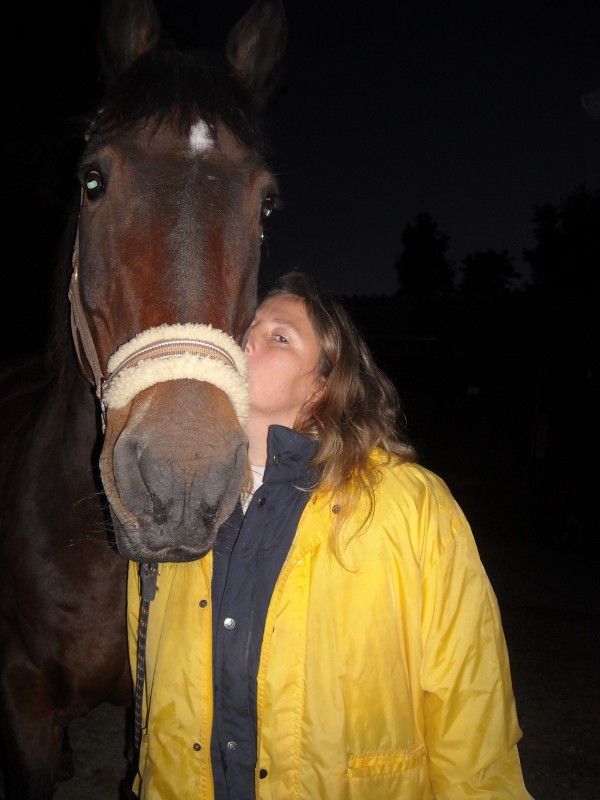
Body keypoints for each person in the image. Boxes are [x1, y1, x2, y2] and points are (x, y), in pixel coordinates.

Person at [127, 271, 534, 799]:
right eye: (247, 324)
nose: (247, 336)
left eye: (280, 336)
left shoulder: (410, 506)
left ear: (322, 384)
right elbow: (149, 682)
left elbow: (469, 693)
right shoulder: (171, 501)